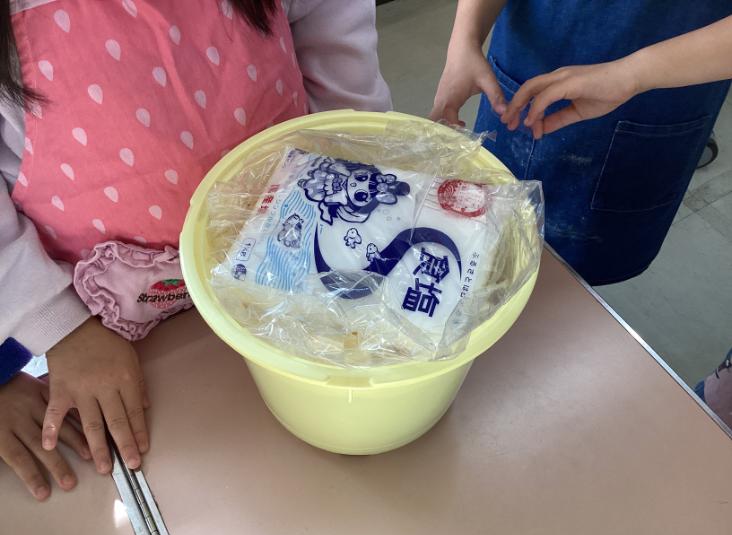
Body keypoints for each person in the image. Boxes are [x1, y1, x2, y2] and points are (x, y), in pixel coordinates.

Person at [0, 0, 390, 501]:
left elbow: (334, 36)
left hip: (295, 276)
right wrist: (58, 326)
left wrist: (362, 158)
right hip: (98, 333)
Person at [431, 0, 732, 286]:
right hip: (526, 60)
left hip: (656, 86)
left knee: (566, 283)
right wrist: (465, 37)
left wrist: (633, 74)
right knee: (483, 239)